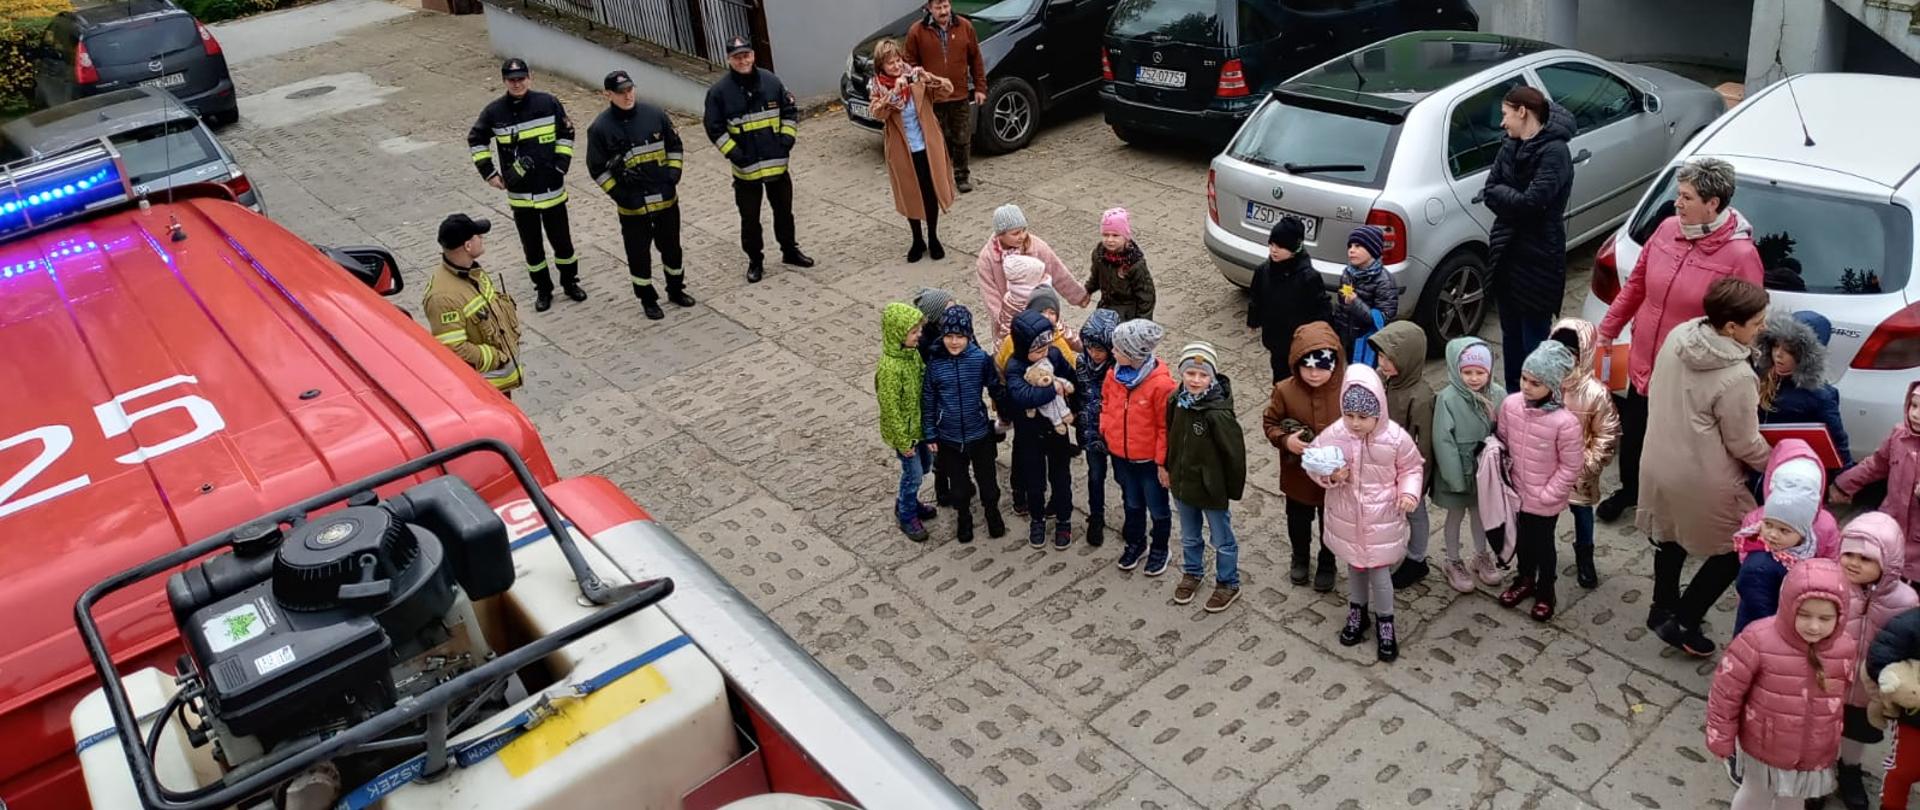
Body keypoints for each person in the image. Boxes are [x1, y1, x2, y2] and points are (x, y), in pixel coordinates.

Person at [1596, 157, 1766, 521]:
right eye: (1678, 195)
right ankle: (1631, 491)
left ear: (1713, 204)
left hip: (1690, 375)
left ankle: (1673, 506)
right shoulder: (1667, 229)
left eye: (1687, 197)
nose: (1677, 203)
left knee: (1676, 447)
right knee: (1636, 434)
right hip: (1644, 360)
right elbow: (1636, 286)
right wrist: (1607, 331)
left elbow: (1745, 325)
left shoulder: (1741, 256)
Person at [1639, 277, 1772, 657]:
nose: (1762, 328)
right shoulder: (1737, 377)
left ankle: (1661, 606)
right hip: (1703, 475)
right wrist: (1781, 460)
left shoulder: (1681, 334)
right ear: (1731, 327)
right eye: (1757, 322)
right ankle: (1684, 619)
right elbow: (1744, 443)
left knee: (1668, 532)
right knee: (1737, 544)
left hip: (1657, 458)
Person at [1705, 559, 1856, 810]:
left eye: (1825, 617)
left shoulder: (1845, 647)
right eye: (1804, 615)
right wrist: (1720, 736)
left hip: (1814, 747)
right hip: (1764, 744)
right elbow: (1726, 691)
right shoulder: (1758, 640)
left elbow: (1843, 693)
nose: (1814, 626)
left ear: (1840, 617)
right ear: (1788, 607)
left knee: (1794, 799)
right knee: (1755, 794)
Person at [1308, 364, 1423, 663]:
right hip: (1347, 516)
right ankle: (1357, 611)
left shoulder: (1396, 439)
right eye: (1350, 415)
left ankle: (1386, 621)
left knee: (1380, 573)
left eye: (1363, 417)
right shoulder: (1336, 433)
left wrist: (1408, 493)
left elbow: (1411, 467)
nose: (1355, 423)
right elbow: (1314, 461)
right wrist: (1331, 476)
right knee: (1355, 568)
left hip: (1382, 517)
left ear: (1378, 413)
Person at [466, 57, 585, 312]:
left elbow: (567, 133)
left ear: (529, 77)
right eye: (512, 80)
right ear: (504, 81)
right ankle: (543, 289)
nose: (517, 84)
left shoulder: (548, 103)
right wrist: (489, 173)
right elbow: (476, 140)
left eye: (521, 78)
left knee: (563, 244)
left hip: (552, 190)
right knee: (532, 248)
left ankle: (570, 282)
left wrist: (561, 165)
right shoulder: (494, 112)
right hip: (521, 196)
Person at [1482, 85, 1576, 393]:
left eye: (1506, 114)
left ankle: (1536, 401)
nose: (1502, 123)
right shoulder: (1509, 143)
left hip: (1538, 261)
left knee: (1533, 341)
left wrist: (1511, 200)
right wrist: (1516, 200)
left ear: (1523, 112)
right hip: (1507, 256)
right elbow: (1490, 189)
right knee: (1510, 337)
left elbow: (1533, 203)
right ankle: (1512, 399)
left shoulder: (1556, 152)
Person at [704, 36, 814, 284]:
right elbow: (714, 128)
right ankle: (755, 261)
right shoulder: (719, 93)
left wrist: (786, 141)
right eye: (737, 57)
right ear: (729, 60)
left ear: (753, 55)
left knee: (784, 212)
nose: (742, 60)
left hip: (777, 164)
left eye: (746, 55)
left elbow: (789, 112)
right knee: (750, 219)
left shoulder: (771, 81)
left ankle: (790, 251)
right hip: (747, 171)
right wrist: (735, 153)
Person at [585, 69, 691, 322]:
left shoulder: (655, 115)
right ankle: (647, 299)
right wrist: (620, 195)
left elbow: (674, 146)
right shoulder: (600, 128)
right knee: (639, 255)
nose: (627, 96)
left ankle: (676, 289)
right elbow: (596, 169)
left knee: (672, 250)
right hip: (633, 208)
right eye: (620, 93)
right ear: (607, 94)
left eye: (630, 90)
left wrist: (673, 176)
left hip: (665, 200)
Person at [1492, 341, 1584, 621]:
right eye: (1524, 378)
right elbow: (1503, 441)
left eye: (1536, 382)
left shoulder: (1565, 423)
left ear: (1553, 386)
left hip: (1544, 500)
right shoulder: (1510, 405)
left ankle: (1546, 591)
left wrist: (1548, 494)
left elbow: (1571, 465)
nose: (1527, 386)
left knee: (1543, 546)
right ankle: (1524, 578)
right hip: (1515, 492)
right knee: (1521, 541)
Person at [1836, 514, 1915, 810]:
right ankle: (1817, 776)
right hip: (1830, 679)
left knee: (1858, 731)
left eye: (1865, 558)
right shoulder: (1832, 586)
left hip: (1868, 688)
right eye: (1849, 554)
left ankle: (1849, 769)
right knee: (1823, 729)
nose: (1854, 563)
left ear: (1889, 563)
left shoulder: (1905, 601)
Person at [1262, 322, 1348, 590]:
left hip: (1333, 479)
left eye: (1321, 367)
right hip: (1297, 475)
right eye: (1307, 366)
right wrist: (1286, 440)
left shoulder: (1347, 389)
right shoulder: (1285, 390)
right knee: (1297, 520)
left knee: (1330, 524)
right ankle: (1299, 556)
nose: (1313, 374)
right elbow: (1270, 423)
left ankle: (1327, 561)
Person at [1166, 341, 1247, 613]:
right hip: (1183, 482)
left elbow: (1234, 454)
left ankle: (1228, 582)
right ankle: (1193, 572)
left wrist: (1230, 490)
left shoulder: (1218, 413)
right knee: (1189, 535)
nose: (1196, 380)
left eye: (1202, 375)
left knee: (1222, 538)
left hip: (1212, 489)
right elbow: (1171, 437)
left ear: (1212, 377)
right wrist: (1167, 468)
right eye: (1190, 373)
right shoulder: (1176, 401)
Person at [921, 305, 1008, 543]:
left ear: (969, 336)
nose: (954, 342)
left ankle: (992, 513)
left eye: (960, 336)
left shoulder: (980, 359)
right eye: (949, 336)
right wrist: (930, 434)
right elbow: (928, 400)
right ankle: (964, 517)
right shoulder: (935, 364)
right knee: (958, 489)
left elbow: (995, 388)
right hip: (948, 438)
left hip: (979, 434)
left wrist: (1005, 415)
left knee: (988, 485)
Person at [867, 39, 956, 264]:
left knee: (930, 192)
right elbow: (877, 113)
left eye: (898, 60)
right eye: (890, 64)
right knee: (910, 194)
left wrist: (930, 78)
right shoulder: (878, 86)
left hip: (927, 145)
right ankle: (917, 240)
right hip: (901, 150)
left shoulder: (915, 77)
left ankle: (934, 237)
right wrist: (893, 94)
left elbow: (947, 90)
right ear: (881, 67)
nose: (896, 67)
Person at [1550, 318, 1620, 589]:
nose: (1564, 359)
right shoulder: (1543, 382)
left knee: (1582, 514)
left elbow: (1607, 434)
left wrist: (1587, 465)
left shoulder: (1596, 393)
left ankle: (1585, 555)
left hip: (1580, 470)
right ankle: (1541, 554)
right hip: (1546, 469)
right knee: (1545, 517)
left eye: (1571, 354)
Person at [1103, 319, 1178, 573]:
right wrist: (1106, 428)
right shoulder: (1113, 374)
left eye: (1118, 349)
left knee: (1158, 508)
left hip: (1148, 463)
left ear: (1134, 353)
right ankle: (1136, 543)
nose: (1112, 352)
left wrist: (1162, 463)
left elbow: (1165, 429)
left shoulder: (1162, 386)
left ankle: (1160, 548)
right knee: (1131, 503)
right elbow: (1106, 402)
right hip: (1121, 457)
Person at [1730, 443, 1827, 637]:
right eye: (1768, 525)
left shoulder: (1824, 528)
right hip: (1767, 627)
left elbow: (1829, 563)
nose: (1773, 534)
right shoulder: (1758, 563)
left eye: (1784, 530)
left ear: (1803, 532)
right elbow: (1761, 613)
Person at [1432, 337, 1506, 593]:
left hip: (1485, 469)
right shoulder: (1448, 398)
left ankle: (1481, 554)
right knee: (1454, 516)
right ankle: (1452, 560)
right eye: (1467, 372)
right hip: (1457, 469)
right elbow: (1443, 439)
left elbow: (1505, 429)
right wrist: (1455, 477)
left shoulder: (1497, 394)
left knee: (1481, 514)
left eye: (1480, 372)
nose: (1474, 378)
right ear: (1456, 370)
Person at [1005, 309, 1082, 549]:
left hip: (1056, 430)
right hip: (1029, 434)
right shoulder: (1015, 367)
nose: (1043, 354)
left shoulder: (1056, 356)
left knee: (1061, 478)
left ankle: (1063, 520)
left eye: (1045, 348)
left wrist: (1075, 407)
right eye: (1037, 350)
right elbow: (1023, 395)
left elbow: (1073, 379)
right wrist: (1054, 389)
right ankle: (1037, 520)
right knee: (1034, 481)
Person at [1368, 321, 1435, 590]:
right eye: (1381, 356)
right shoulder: (1381, 379)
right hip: (1379, 467)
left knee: (1415, 515)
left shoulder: (1420, 398)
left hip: (1406, 473)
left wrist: (1416, 484)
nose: (1382, 363)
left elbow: (1425, 447)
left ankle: (1417, 558)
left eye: (1389, 358)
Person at [424, 214, 523, 395]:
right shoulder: (442, 297)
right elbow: (454, 349)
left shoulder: (472, 271)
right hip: (484, 392)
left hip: (502, 386)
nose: (482, 238)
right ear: (468, 246)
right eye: (478, 236)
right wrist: (497, 358)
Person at [1831, 383, 1920, 579]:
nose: (1916, 414)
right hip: (1890, 526)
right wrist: (1845, 483)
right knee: (1882, 576)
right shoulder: (1898, 435)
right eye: (1914, 406)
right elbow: (1877, 464)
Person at [902, 0, 986, 193]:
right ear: (929, 8)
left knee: (962, 138)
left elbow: (976, 58)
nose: (944, 11)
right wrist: (919, 85)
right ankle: (938, 178)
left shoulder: (965, 27)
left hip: (959, 95)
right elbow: (909, 63)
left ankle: (962, 176)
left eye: (946, 6)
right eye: (938, 8)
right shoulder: (917, 31)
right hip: (933, 99)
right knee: (935, 141)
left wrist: (980, 87)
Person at [976, 203, 1089, 344]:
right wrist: (1004, 320)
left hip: (1040, 310)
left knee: (1056, 343)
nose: (1022, 236)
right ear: (1000, 234)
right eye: (1015, 233)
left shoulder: (1035, 246)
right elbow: (990, 295)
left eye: (1024, 230)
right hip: (1011, 320)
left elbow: (1057, 270)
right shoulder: (987, 259)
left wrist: (1078, 295)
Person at [1756, 311, 1852, 469]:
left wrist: (1844, 482)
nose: (1778, 355)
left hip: (1794, 468)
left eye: (1789, 351)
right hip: (1759, 463)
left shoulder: (1819, 395)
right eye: (1775, 345)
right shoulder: (1760, 376)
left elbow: (1837, 442)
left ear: (1806, 357)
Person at [1247, 217, 1332, 383]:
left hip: (1300, 342)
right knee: (1279, 375)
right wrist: (1253, 320)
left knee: (1299, 378)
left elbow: (1322, 309)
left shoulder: (1308, 277)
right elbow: (1256, 297)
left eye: (1280, 246)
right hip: (1275, 338)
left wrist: (1323, 336)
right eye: (1271, 245)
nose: (1274, 250)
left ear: (1294, 248)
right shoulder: (1263, 271)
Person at [877, 303, 934, 541]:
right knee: (913, 474)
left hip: (919, 426)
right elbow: (890, 409)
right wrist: (903, 442)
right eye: (913, 332)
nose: (918, 335)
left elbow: (922, 375)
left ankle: (908, 501)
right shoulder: (890, 369)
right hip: (905, 433)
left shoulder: (911, 355)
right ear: (899, 335)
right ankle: (907, 512)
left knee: (926, 465)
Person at [1868, 602, 1920, 810]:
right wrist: (1902, 685)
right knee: (1903, 771)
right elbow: (1880, 658)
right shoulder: (1910, 623)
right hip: (1914, 718)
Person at [1077, 309, 1121, 547]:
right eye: (1090, 347)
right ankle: (1096, 517)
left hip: (1117, 435)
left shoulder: (1120, 370)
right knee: (1095, 476)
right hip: (1091, 433)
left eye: (1100, 349)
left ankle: (1133, 519)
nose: (1094, 354)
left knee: (1124, 479)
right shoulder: (1081, 364)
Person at [1333, 225, 1397, 361]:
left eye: (1358, 246)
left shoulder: (1384, 281)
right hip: (1347, 338)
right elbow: (1341, 306)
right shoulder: (1347, 274)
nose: (1351, 250)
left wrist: (1355, 303)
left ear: (1372, 249)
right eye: (1350, 246)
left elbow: (1383, 318)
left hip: (1368, 342)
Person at [1085, 207, 1155, 322]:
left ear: (1125, 237)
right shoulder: (1099, 255)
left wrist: (1142, 323)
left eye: (1115, 235)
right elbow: (1095, 277)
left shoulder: (1135, 264)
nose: (1109, 239)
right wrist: (1086, 291)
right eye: (1106, 235)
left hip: (1128, 315)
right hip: (1105, 309)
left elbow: (1147, 297)